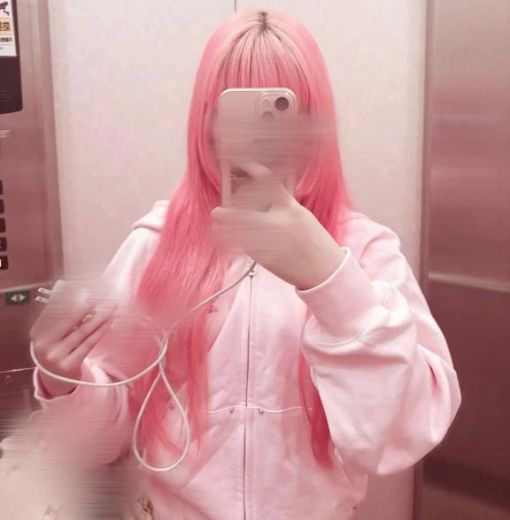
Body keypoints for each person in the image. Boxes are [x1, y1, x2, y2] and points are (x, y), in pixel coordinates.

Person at [28, 9, 461, 520]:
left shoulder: (363, 252)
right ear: (206, 124)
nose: (264, 137)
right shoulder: (156, 245)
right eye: (239, 115)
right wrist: (66, 382)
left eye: (282, 111)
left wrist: (331, 280)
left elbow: (406, 434)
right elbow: (98, 447)